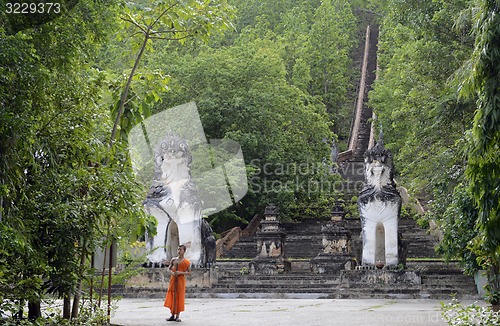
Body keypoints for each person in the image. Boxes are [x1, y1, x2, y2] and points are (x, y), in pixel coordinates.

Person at [164, 245, 191, 322]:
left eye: (181, 249)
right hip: (173, 280)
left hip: (180, 280)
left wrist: (180, 272)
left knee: (179, 296)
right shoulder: (173, 260)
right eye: (178, 249)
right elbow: (168, 269)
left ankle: (177, 316)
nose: (179, 251)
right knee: (172, 295)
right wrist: (172, 273)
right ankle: (172, 315)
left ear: (184, 251)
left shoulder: (186, 262)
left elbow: (189, 273)